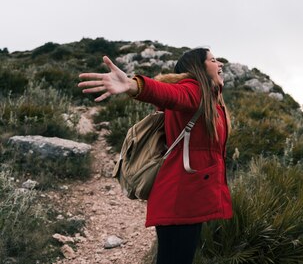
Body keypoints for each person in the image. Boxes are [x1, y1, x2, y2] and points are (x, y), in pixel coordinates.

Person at [78, 48, 233, 264]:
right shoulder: (194, 91)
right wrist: (133, 85)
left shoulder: (211, 99)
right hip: (180, 198)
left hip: (189, 196)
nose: (220, 64)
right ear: (197, 68)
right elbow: (168, 93)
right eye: (213, 60)